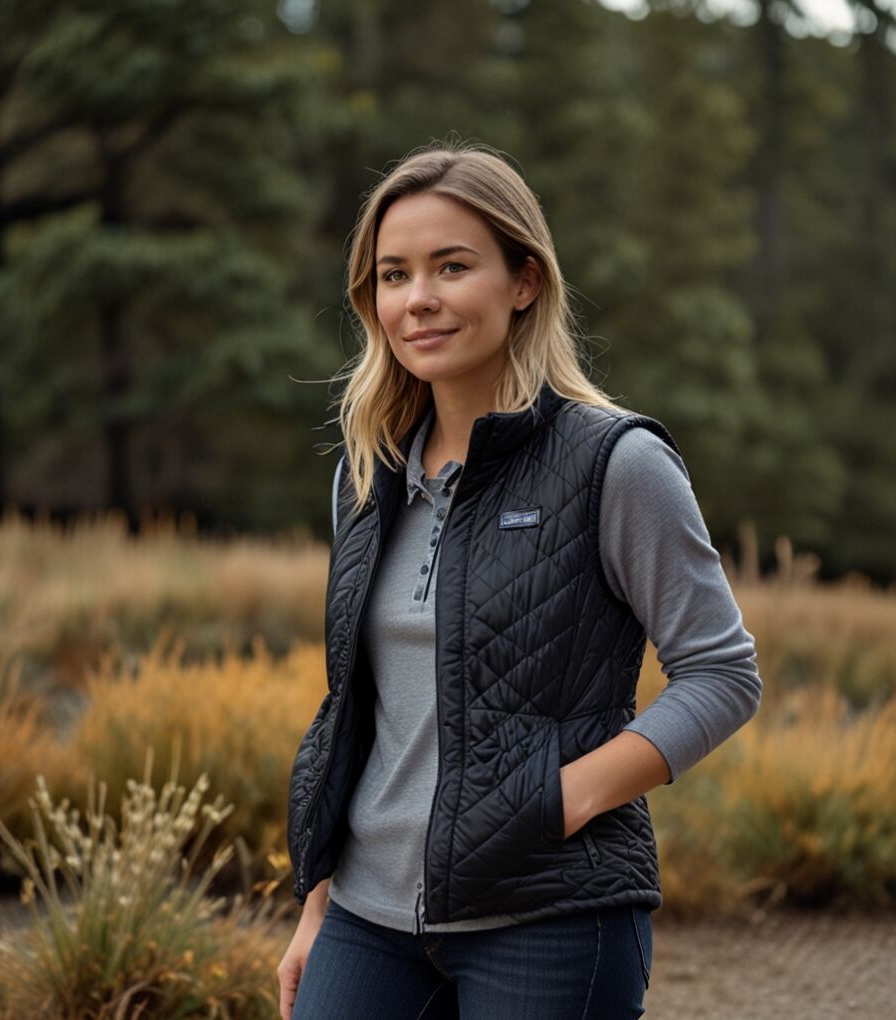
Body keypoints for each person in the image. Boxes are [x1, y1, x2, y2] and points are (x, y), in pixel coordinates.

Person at [277, 140, 762, 1019]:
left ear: (524, 280)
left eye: (451, 266)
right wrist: (317, 901)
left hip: (547, 914)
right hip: (366, 917)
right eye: (393, 275)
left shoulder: (616, 463)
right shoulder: (367, 474)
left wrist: (559, 800)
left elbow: (724, 674)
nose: (417, 298)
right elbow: (358, 706)